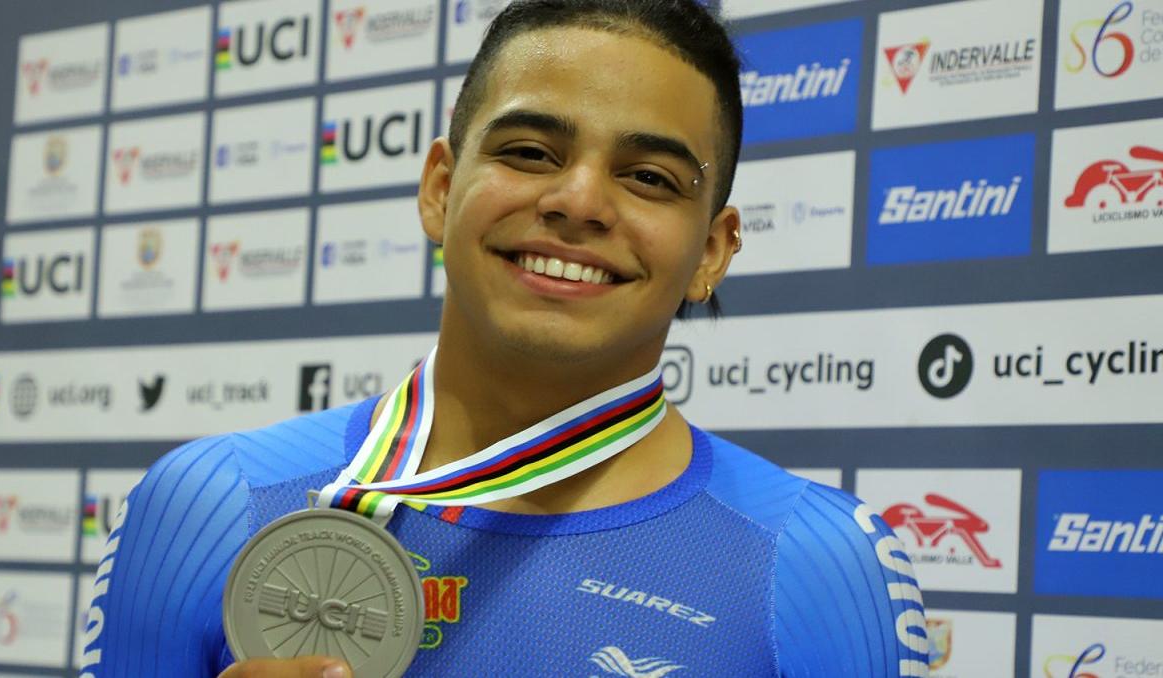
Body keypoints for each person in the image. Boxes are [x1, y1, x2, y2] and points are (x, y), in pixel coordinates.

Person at [79, 1, 930, 676]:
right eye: (529, 151)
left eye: (648, 177)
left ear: (711, 251)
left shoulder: (817, 563)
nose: (580, 201)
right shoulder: (208, 504)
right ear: (440, 189)